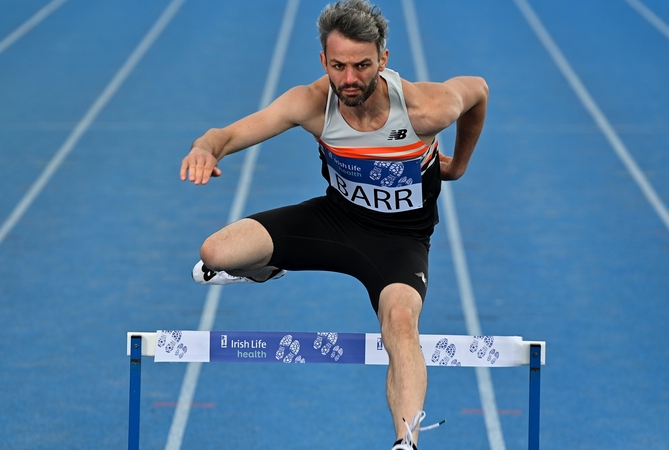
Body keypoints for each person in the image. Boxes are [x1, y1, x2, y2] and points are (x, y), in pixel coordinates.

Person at [180, 1, 488, 448]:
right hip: (334, 220)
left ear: (383, 58)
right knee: (215, 254)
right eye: (338, 66)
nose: (349, 79)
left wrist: (458, 164)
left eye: (362, 65)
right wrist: (206, 149)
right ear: (323, 61)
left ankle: (407, 442)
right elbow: (224, 135)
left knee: (401, 322)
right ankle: (267, 268)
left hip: (399, 243)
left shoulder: (426, 108)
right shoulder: (310, 102)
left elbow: (477, 90)